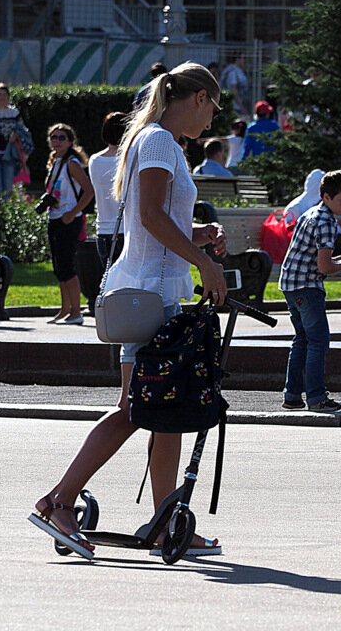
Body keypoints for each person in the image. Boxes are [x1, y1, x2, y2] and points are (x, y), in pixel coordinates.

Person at [29, 62, 230, 558]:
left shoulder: (152, 138)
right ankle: (59, 500)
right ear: (199, 97)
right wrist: (203, 261)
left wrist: (196, 235)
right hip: (148, 294)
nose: (213, 122)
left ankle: (162, 522)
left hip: (146, 288)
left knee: (162, 413)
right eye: (215, 109)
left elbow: (154, 222)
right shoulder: (160, 140)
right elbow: (149, 215)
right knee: (138, 408)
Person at [278, 170, 341, 411]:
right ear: (326, 196)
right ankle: (316, 397)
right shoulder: (326, 222)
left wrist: (334, 260)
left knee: (301, 339)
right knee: (319, 341)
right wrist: (340, 266)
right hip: (307, 287)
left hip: (290, 284)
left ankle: (292, 396)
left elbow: (315, 256)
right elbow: (324, 267)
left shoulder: (311, 213)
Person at [42, 124, 94, 325]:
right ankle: (65, 309)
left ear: (70, 141)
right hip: (54, 217)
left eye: (61, 137)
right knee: (58, 267)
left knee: (68, 267)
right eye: (53, 137)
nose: (57, 141)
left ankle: (76, 311)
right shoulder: (55, 161)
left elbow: (89, 191)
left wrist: (72, 213)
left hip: (68, 219)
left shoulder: (72, 163)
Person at [88, 111, 127, 266]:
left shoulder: (94, 160)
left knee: (108, 284)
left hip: (103, 230)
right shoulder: (130, 159)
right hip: (126, 230)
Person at [220, 53, 250, 118]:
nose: (244, 60)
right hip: (235, 106)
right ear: (237, 59)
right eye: (243, 58)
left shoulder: (238, 70)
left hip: (238, 104)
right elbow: (234, 90)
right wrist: (241, 106)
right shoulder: (233, 72)